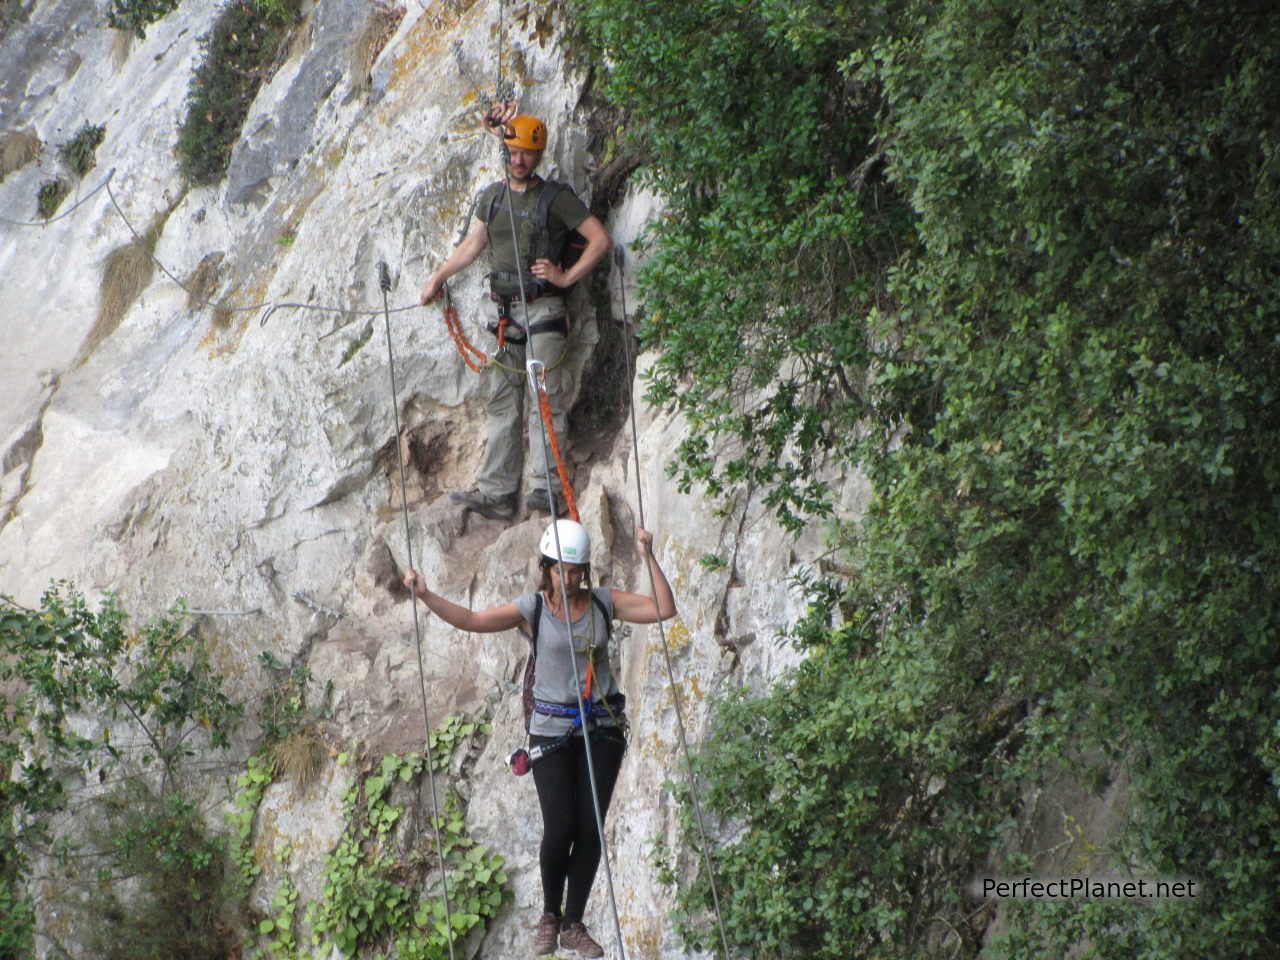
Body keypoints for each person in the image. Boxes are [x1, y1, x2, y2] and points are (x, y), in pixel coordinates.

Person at [403, 519, 676, 957]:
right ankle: (550, 914)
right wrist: (426, 594)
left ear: (583, 571)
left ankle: (574, 922)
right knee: (561, 826)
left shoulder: (604, 603)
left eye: (574, 571)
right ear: (546, 568)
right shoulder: (532, 609)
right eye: (558, 570)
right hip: (551, 729)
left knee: (591, 830)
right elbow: (472, 620)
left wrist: (650, 557)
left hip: (601, 727)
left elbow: (663, 609)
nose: (566, 579)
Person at [420, 103, 613, 521]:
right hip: (506, 314)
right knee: (503, 401)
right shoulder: (493, 198)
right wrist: (439, 277)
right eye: (514, 152)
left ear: (538, 156)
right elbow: (473, 245)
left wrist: (565, 278)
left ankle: (546, 490)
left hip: (542, 307)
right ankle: (497, 492)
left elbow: (599, 240)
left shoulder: (555, 198)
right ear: (506, 151)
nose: (519, 159)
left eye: (527, 153)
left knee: (546, 399)